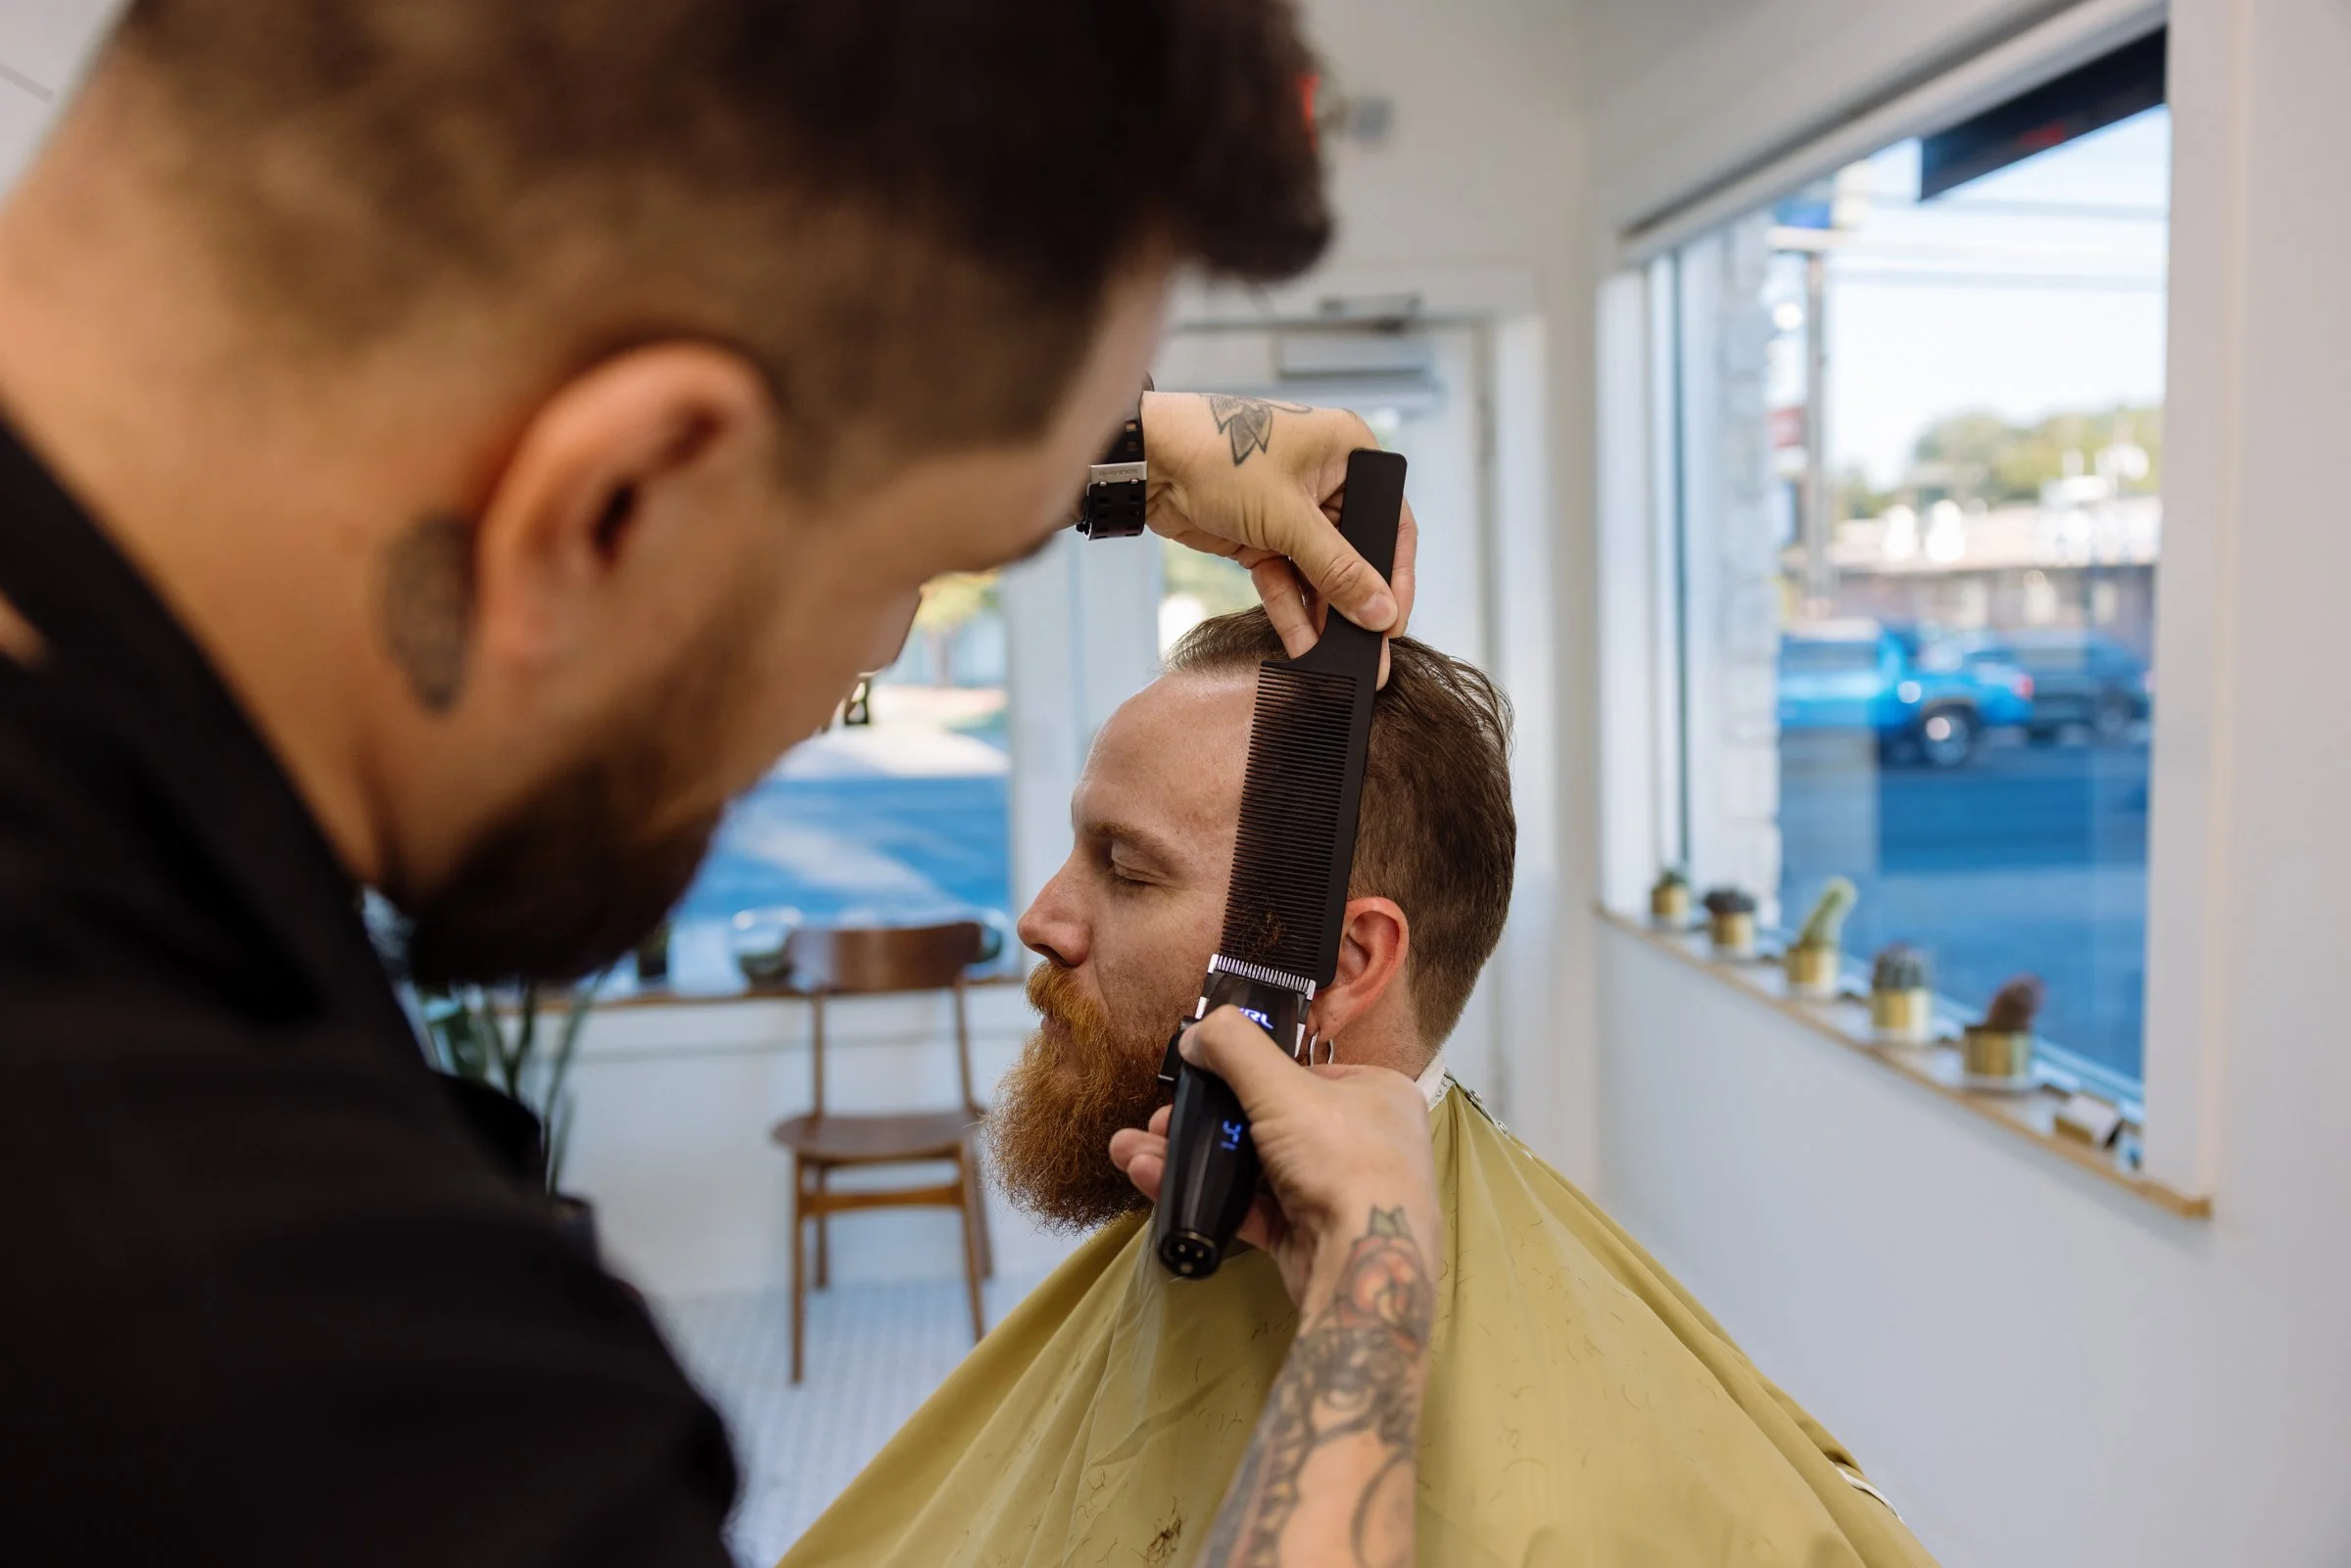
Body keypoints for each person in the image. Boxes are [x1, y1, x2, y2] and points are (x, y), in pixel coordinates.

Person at [0, 4, 1444, 1564]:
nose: (821, 715)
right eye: (901, 573)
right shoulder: (326, 1390)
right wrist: (1374, 1308)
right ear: (624, 502)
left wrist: (1073, 455)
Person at [783, 609, 1941, 1568]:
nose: (1041, 916)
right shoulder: (1189, 1199)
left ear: (1341, 967)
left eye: (1125, 868)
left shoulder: (1579, 1495)